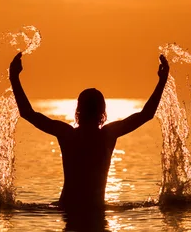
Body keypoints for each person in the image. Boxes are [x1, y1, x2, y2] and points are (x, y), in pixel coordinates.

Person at [9, 52, 169, 210]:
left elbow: (27, 113)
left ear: (78, 110)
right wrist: (162, 81)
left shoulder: (67, 134)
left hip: (67, 209)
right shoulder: (108, 134)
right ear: (103, 112)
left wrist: (14, 78)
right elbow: (146, 114)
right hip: (94, 210)